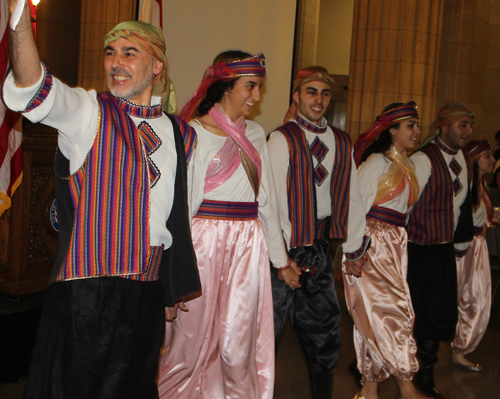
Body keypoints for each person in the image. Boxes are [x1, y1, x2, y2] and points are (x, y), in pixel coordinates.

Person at [2, 3, 200, 398]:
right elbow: (31, 87)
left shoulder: (181, 133)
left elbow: (175, 215)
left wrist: (167, 290)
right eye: (110, 52)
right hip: (87, 294)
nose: (116, 63)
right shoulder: (88, 111)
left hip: (145, 293)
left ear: (157, 66)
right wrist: (19, 13)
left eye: (130, 52)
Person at [157, 51, 292, 399]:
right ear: (225, 86)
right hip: (202, 243)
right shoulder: (193, 133)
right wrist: (174, 278)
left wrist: (280, 261)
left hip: (247, 245)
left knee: (237, 344)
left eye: (259, 87)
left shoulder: (257, 133)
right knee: (188, 342)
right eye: (250, 86)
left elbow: (268, 202)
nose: (257, 96)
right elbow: (182, 208)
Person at [267, 66, 369, 399]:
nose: (319, 99)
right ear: (296, 97)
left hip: (320, 248)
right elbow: (272, 202)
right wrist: (281, 260)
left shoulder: (341, 141)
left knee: (324, 329)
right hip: (282, 248)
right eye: (311, 92)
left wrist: (353, 249)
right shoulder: (282, 138)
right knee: (266, 329)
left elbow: (352, 195)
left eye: (325, 93)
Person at [343, 102, 428, 399]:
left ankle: (369, 388)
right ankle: (407, 386)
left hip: (394, 245)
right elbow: (354, 207)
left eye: (417, 125)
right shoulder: (377, 163)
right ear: (392, 130)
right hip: (373, 245)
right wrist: (354, 252)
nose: (417, 131)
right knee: (395, 312)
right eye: (410, 126)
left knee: (373, 317)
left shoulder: (405, 165)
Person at [406, 102, 474, 399]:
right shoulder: (423, 159)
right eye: (462, 125)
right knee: (414, 312)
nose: (468, 131)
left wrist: (460, 243)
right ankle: (401, 370)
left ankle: (425, 373)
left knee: (439, 312)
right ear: (443, 127)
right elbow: (405, 204)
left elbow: (463, 207)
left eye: (470, 125)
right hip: (418, 247)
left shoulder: (465, 159)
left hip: (443, 246)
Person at [450, 140, 493, 372]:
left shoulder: (479, 184)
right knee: (468, 300)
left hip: (477, 247)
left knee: (473, 299)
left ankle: (460, 350)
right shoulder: (467, 185)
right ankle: (458, 350)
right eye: (486, 156)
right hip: (466, 248)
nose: (493, 160)